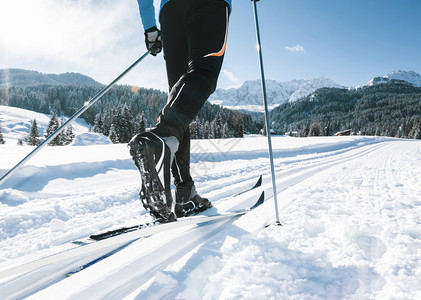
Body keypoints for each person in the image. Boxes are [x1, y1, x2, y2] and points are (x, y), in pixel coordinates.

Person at [129, 0, 231, 222]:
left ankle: (185, 193)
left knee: (179, 104)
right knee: (204, 72)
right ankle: (162, 138)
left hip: (171, 11)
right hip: (209, 5)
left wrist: (149, 28)